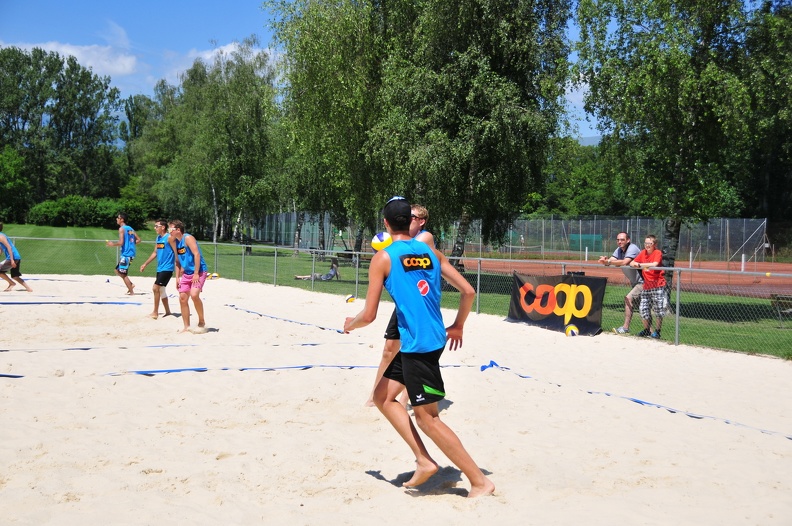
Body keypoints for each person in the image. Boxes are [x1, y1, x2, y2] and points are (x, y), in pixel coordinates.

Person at [344, 196, 495, 498]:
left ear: (386, 224)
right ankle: (424, 460)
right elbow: (468, 291)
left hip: (419, 346)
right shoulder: (429, 250)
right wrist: (459, 325)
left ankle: (479, 481)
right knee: (383, 397)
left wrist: (351, 323)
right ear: (408, 222)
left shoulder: (383, 258)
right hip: (429, 339)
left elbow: (370, 315)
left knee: (428, 418)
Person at [365, 204, 433, 407]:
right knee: (389, 349)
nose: (408, 219)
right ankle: (375, 393)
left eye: (412, 216)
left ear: (421, 221)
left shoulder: (424, 238)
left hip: (420, 304)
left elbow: (407, 249)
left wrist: (387, 245)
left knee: (412, 350)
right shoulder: (398, 242)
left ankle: (405, 398)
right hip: (404, 303)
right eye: (406, 216)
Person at [598, 232, 645, 334]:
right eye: (618, 240)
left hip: (643, 282)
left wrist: (608, 262)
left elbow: (624, 262)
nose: (619, 242)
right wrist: (605, 260)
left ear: (628, 240)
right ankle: (650, 331)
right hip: (636, 282)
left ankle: (625, 328)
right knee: (643, 307)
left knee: (628, 298)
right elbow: (612, 260)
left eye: (622, 239)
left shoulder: (632, 248)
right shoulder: (619, 250)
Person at [168, 220, 209, 333]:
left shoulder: (188, 238)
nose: (169, 232)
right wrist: (177, 277)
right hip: (186, 273)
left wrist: (196, 273)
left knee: (194, 295)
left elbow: (197, 254)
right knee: (182, 298)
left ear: (178, 230)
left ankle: (201, 321)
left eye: (170, 229)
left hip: (199, 271)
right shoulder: (175, 242)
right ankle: (186, 327)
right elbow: (177, 261)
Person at [629, 235, 667, 338]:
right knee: (643, 309)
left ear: (654, 244)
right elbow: (632, 262)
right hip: (647, 285)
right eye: (645, 243)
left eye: (649, 243)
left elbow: (654, 264)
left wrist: (640, 265)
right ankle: (646, 330)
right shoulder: (642, 253)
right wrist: (636, 264)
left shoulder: (657, 253)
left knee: (658, 309)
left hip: (658, 285)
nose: (647, 245)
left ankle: (657, 331)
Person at [139, 219, 175, 319]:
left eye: (156, 226)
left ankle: (155, 312)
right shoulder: (158, 238)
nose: (155, 228)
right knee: (162, 290)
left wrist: (180, 266)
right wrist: (145, 264)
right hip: (160, 268)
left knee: (155, 288)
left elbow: (176, 252)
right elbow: (155, 252)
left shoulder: (169, 238)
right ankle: (168, 312)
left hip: (167, 268)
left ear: (163, 227)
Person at [106, 212, 140, 295]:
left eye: (118, 218)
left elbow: (121, 242)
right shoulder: (130, 228)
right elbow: (139, 240)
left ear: (122, 219)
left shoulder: (122, 229)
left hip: (127, 254)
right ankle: (131, 285)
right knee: (117, 270)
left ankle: (131, 291)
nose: (116, 219)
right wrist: (131, 244)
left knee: (122, 273)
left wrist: (112, 244)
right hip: (130, 253)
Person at [0, 222, 33, 292]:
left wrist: (12, 260)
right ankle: (28, 288)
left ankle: (11, 283)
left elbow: (9, 247)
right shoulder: (2, 235)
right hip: (16, 257)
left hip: (13, 257)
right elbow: (1, 249)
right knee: (15, 276)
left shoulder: (1, 236)